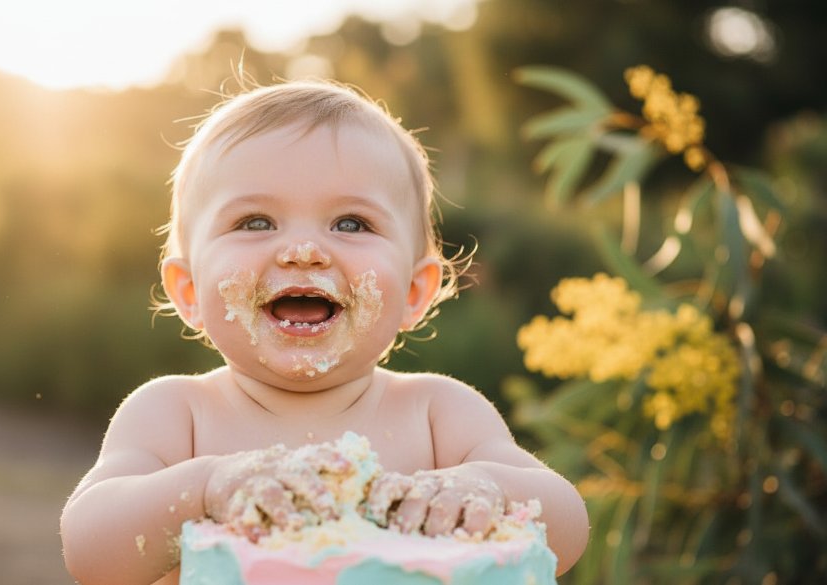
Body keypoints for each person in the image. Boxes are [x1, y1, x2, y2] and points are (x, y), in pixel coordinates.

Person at [59, 80, 589, 585]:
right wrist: (201, 490)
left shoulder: (438, 414)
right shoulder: (177, 415)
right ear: (190, 289)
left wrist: (489, 488)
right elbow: (89, 550)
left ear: (413, 290)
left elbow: (568, 525)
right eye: (256, 222)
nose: (304, 250)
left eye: (351, 224)